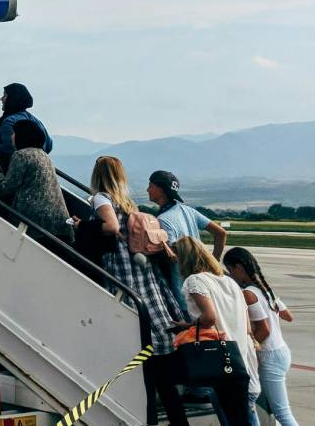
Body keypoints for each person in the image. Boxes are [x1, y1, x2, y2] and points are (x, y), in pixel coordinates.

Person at [84, 156, 190, 424]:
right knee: (162, 375)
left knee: (138, 353)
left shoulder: (101, 199)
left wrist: (81, 226)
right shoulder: (127, 201)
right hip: (144, 272)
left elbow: (110, 226)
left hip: (122, 269)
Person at [176, 236, 259, 426]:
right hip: (241, 359)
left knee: (228, 417)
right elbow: (246, 327)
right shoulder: (229, 282)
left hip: (219, 360)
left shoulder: (194, 280)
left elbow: (210, 317)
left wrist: (188, 326)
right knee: (241, 418)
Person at [223, 247, 298, 426]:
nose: (231, 275)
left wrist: (249, 348)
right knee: (271, 407)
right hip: (281, 352)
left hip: (269, 355)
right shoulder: (265, 289)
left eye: (231, 270)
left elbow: (264, 331)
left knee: (282, 413)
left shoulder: (249, 294)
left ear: (239, 268)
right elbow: (288, 316)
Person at [149, 170, 228, 312]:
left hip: (183, 292)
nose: (147, 189)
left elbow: (173, 255)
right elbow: (220, 233)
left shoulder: (163, 219)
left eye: (151, 185)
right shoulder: (188, 210)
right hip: (203, 283)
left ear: (160, 190)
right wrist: (214, 261)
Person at [0, 120, 72, 250]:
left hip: (34, 223)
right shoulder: (44, 155)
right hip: (59, 223)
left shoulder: (21, 155)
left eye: (14, 133)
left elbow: (6, 188)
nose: (11, 136)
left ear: (22, 135)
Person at [0, 83, 52, 171]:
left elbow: (11, 150)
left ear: (13, 99)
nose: (1, 99)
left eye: (5, 95)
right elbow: (49, 144)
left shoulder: (10, 121)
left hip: (10, 172)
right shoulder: (35, 120)